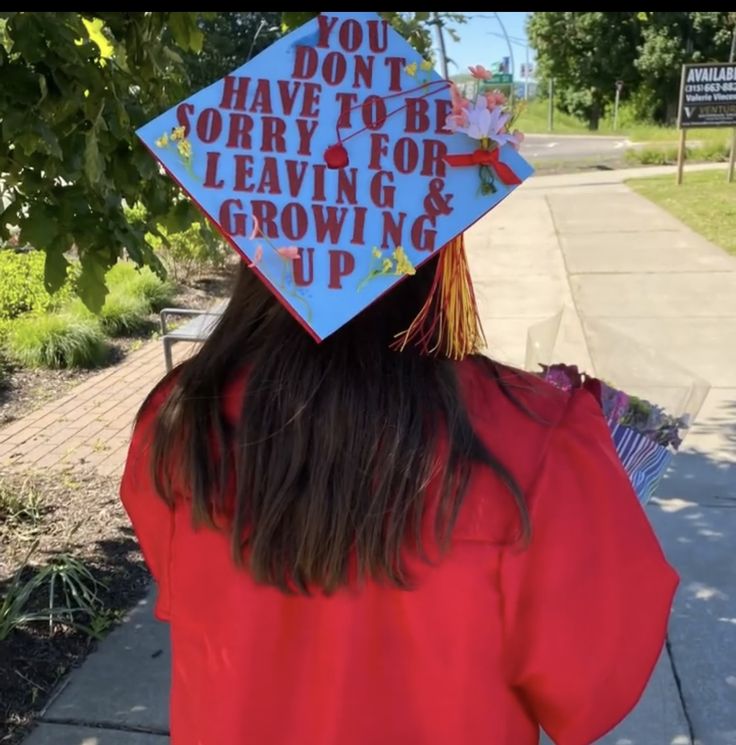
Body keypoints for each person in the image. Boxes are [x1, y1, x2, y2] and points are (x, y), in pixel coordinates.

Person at [120, 249, 678, 745]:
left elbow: (180, 579)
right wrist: (594, 501)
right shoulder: (534, 439)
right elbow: (589, 684)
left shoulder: (181, 419)